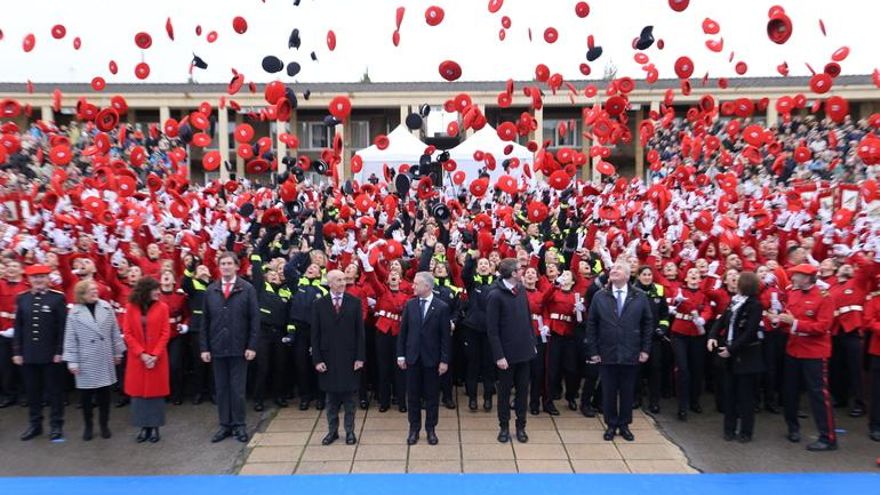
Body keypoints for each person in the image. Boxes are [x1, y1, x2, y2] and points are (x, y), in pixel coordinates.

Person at [585, 260, 653, 442]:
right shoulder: (600, 296)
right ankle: (611, 424)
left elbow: (648, 323)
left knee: (627, 391)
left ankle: (624, 425)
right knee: (608, 391)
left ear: (628, 274)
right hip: (607, 352)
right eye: (612, 268)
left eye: (618, 268)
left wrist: (645, 349)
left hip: (631, 351)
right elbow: (591, 324)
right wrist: (593, 350)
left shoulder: (639, 296)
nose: (613, 270)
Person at [772, 263, 838, 451]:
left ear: (807, 278)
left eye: (796, 275)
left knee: (818, 394)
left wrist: (795, 323)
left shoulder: (824, 297)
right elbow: (789, 320)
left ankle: (828, 437)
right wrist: (778, 321)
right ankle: (792, 428)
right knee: (789, 391)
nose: (792, 278)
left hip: (814, 352)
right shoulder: (793, 293)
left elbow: (822, 327)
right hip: (794, 349)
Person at [200, 251, 259, 444]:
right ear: (219, 267)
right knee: (222, 388)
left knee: (237, 389)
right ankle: (225, 424)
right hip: (217, 347)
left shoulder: (246, 288)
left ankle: (239, 424)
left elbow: (254, 319)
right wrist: (205, 348)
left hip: (239, 347)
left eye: (229, 263)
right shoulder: (211, 290)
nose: (225, 266)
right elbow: (205, 321)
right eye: (222, 263)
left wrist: (252, 345)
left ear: (236, 266)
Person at [62, 280, 126, 441]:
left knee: (104, 396)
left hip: (104, 357)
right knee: (86, 397)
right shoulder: (74, 313)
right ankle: (88, 426)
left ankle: (104, 425)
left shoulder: (106, 306)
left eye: (95, 289)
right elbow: (70, 339)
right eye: (91, 290)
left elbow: (114, 332)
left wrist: (118, 352)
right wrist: (72, 361)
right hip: (85, 360)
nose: (95, 292)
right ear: (82, 294)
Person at [707, 271, 765, 443]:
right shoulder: (734, 301)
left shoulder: (755, 305)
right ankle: (729, 428)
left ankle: (746, 431)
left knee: (745, 395)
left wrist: (731, 349)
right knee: (729, 393)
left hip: (745, 354)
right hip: (729, 351)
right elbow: (721, 321)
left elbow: (749, 332)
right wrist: (712, 336)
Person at [12, 265, 67, 441]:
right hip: (28, 354)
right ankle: (35, 425)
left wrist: (59, 351)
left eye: (42, 277)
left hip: (51, 355)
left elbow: (62, 328)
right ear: (29, 280)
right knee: (32, 392)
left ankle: (56, 426)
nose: (38, 280)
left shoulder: (57, 299)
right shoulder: (22, 299)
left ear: (48, 278)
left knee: (54, 392)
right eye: (35, 277)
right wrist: (17, 352)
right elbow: (18, 327)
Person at [486, 258, 537, 444]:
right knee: (505, 393)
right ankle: (504, 426)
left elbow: (527, 318)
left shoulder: (521, 289)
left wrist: (532, 343)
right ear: (513, 273)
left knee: (523, 392)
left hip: (524, 352)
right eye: (520, 269)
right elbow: (492, 330)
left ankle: (521, 426)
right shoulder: (495, 295)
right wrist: (499, 355)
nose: (523, 271)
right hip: (506, 356)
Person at [312, 269, 365, 446]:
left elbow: (360, 333)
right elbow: (315, 335)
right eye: (338, 280)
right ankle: (332, 431)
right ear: (329, 283)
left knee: (350, 400)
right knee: (331, 400)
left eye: (343, 280)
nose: (342, 283)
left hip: (349, 358)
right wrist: (317, 360)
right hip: (328, 359)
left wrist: (360, 357)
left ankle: (350, 432)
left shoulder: (354, 303)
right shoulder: (319, 304)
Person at [397, 272, 451, 445]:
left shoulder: (441, 307)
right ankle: (414, 429)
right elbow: (403, 332)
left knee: (431, 396)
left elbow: (445, 337)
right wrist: (401, 355)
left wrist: (444, 360)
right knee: (412, 396)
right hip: (413, 358)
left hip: (432, 359)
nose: (413, 286)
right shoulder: (410, 305)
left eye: (416, 284)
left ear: (427, 286)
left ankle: (431, 429)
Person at [123, 277, 171, 443]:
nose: (159, 292)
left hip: (157, 358)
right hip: (138, 359)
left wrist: (154, 355)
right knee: (139, 396)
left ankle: (155, 427)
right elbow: (127, 333)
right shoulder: (130, 307)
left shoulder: (163, 307)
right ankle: (143, 427)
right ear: (145, 291)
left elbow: (166, 333)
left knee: (155, 396)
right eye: (155, 289)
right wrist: (141, 353)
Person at [633, 266, 670, 414]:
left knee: (655, 369)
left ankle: (654, 402)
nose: (647, 277)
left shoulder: (659, 291)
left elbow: (665, 314)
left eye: (650, 274)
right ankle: (635, 398)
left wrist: (663, 328)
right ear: (638, 276)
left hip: (654, 338)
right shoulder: (633, 290)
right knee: (637, 370)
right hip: (637, 337)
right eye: (644, 274)